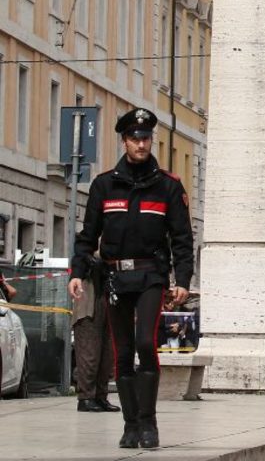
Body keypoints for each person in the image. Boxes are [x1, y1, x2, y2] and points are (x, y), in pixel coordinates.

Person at [68, 108, 193, 450]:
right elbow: (87, 235)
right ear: (124, 141)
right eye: (135, 138)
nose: (141, 144)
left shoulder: (167, 186)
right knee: (122, 353)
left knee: (144, 344)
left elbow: (182, 238)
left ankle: (149, 424)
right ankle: (131, 424)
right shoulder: (104, 185)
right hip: (114, 278)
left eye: (146, 138)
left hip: (151, 275)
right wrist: (77, 272)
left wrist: (181, 278)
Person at [70, 252, 119, 412]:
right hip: (89, 300)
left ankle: (100, 396)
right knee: (89, 353)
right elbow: (81, 261)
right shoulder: (88, 246)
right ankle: (86, 397)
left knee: (107, 354)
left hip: (109, 298)